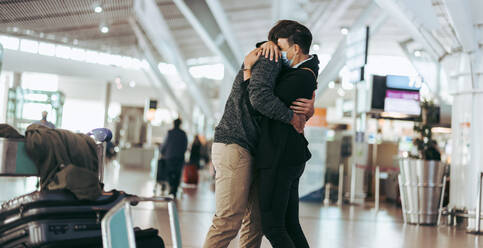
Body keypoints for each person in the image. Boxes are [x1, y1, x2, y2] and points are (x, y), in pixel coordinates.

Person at [203, 20, 315, 248]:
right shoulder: (269, 58)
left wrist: (309, 107)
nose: (282, 52)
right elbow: (259, 98)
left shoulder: (288, 67)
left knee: (256, 222)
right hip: (236, 142)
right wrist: (292, 117)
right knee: (228, 220)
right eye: (278, 46)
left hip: (255, 148)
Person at [161, 118, 187, 197]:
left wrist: (162, 151)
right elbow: (185, 145)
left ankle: (171, 187)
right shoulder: (183, 134)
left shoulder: (170, 133)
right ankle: (174, 190)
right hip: (179, 157)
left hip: (170, 156)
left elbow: (165, 144)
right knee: (177, 173)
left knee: (169, 172)